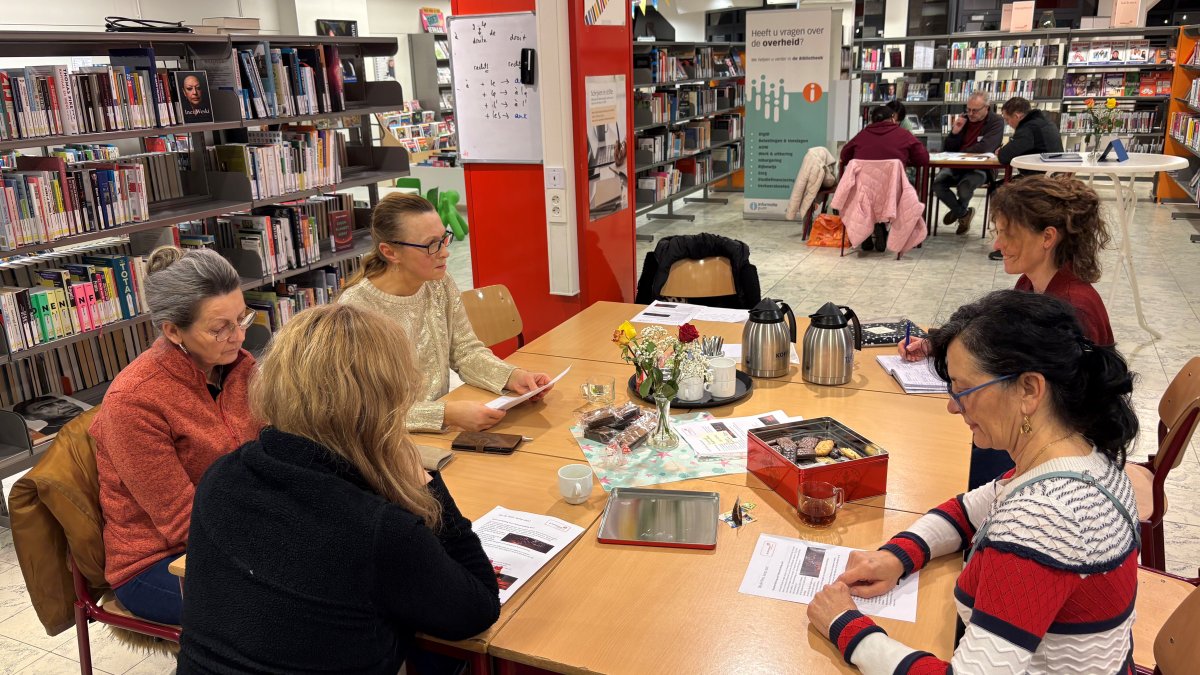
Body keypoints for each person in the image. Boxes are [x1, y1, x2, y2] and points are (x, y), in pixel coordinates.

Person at [809, 290, 1140, 674]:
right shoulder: (1082, 457)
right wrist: (895, 557)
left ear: (1029, 390)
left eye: (964, 390)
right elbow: (967, 511)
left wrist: (846, 625)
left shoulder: (1043, 518)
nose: (953, 405)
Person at [178, 304, 501, 673]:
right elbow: (478, 609)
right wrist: (425, 484)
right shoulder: (379, 528)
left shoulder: (221, 476)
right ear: (386, 403)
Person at [900, 175, 1115, 487]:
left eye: (1006, 234)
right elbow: (999, 342)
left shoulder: (1074, 308)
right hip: (1037, 429)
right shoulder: (1031, 283)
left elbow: (1071, 414)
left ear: (1047, 237)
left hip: (1063, 455)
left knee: (951, 457)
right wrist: (936, 344)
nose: (997, 245)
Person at [90, 247, 262, 625]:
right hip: (157, 561)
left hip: (238, 529)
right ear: (173, 331)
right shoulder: (134, 401)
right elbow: (183, 519)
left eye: (241, 318)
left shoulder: (239, 367)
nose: (238, 336)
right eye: (219, 328)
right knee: (281, 607)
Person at [338, 193, 552, 433]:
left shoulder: (438, 283)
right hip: (388, 440)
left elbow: (465, 351)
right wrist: (446, 414)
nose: (444, 252)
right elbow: (364, 411)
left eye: (443, 239)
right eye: (431, 244)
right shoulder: (356, 310)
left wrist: (513, 377)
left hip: (438, 428)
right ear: (390, 252)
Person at [933, 92, 1004, 235]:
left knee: (964, 187)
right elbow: (948, 148)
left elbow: (985, 147)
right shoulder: (964, 119)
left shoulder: (996, 121)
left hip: (982, 168)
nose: (970, 114)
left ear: (986, 108)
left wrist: (960, 153)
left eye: (975, 110)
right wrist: (954, 133)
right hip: (956, 165)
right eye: (968, 109)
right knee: (938, 184)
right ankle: (963, 213)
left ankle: (958, 211)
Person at [840, 105, 930, 170]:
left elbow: (844, 156)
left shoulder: (861, 136)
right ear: (892, 119)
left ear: (872, 121)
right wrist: (906, 159)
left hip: (864, 189)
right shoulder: (905, 135)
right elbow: (923, 159)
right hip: (893, 189)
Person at [996, 96, 1063, 177]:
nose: (1007, 123)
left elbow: (1004, 157)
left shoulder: (1028, 128)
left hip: (1041, 178)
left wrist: (1000, 152)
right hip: (1054, 174)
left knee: (998, 185)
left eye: (1007, 119)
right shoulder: (1045, 122)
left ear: (1016, 116)